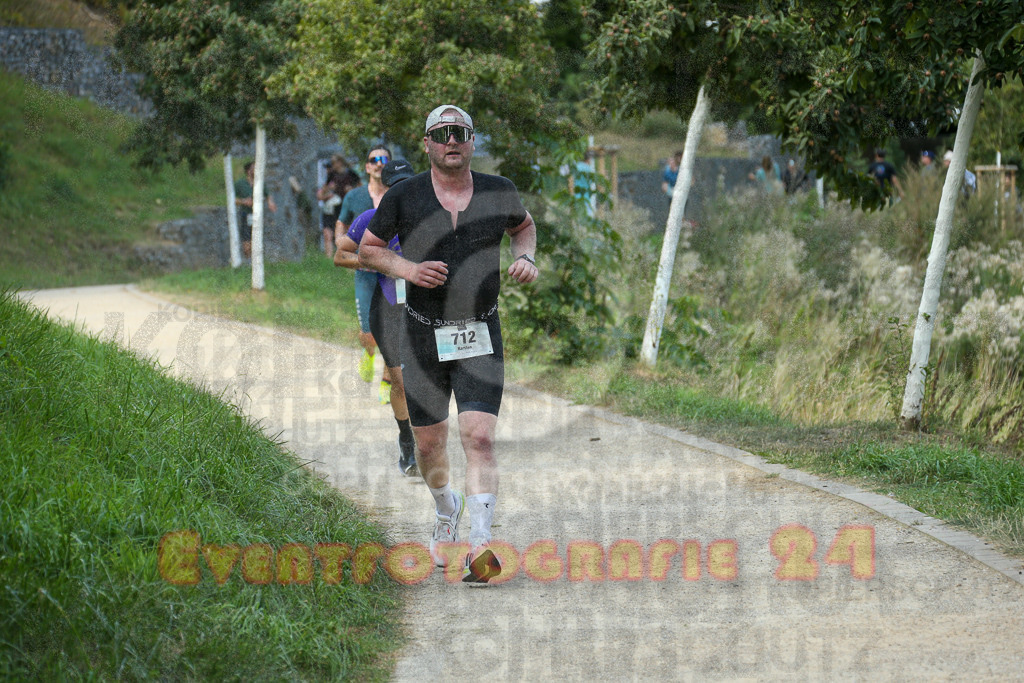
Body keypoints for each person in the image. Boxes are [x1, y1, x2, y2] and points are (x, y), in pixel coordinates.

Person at [359, 104, 538, 585]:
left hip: (479, 331)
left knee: (479, 436)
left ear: (473, 140)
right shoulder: (405, 195)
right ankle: (446, 508)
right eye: (442, 135)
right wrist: (410, 270)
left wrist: (526, 258)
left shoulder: (499, 191)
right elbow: (368, 249)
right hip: (420, 334)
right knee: (429, 443)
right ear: (427, 145)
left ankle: (481, 546)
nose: (451, 141)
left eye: (460, 133)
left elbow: (523, 226)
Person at [335, 159, 419, 475]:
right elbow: (340, 256)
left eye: (408, 186)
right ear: (385, 189)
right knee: (399, 380)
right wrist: (373, 262)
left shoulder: (431, 219)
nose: (403, 193)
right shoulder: (371, 218)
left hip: (425, 309)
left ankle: (428, 440)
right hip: (388, 308)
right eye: (395, 187)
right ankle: (407, 443)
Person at [336, 146, 391, 391]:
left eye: (384, 160)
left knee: (393, 332)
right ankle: (368, 353)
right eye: (374, 160)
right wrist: (341, 243)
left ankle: (389, 383)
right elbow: (341, 222)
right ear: (367, 167)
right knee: (369, 333)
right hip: (365, 274)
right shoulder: (355, 197)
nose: (379, 163)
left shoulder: (399, 194)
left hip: (394, 274)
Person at [316, 154, 357, 258]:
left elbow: (360, 187)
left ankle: (346, 255)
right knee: (328, 232)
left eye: (334, 162)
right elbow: (322, 192)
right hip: (332, 207)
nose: (332, 165)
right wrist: (329, 190)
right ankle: (329, 259)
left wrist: (351, 191)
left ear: (340, 162)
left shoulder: (351, 174)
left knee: (345, 231)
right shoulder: (331, 175)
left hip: (346, 205)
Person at [234, 161, 277, 259]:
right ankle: (248, 258)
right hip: (246, 214)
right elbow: (231, 198)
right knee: (246, 240)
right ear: (248, 171)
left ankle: (255, 261)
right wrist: (243, 201)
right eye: (254, 168)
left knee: (256, 239)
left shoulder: (260, 183)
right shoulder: (240, 184)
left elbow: (268, 195)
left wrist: (270, 203)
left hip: (258, 215)